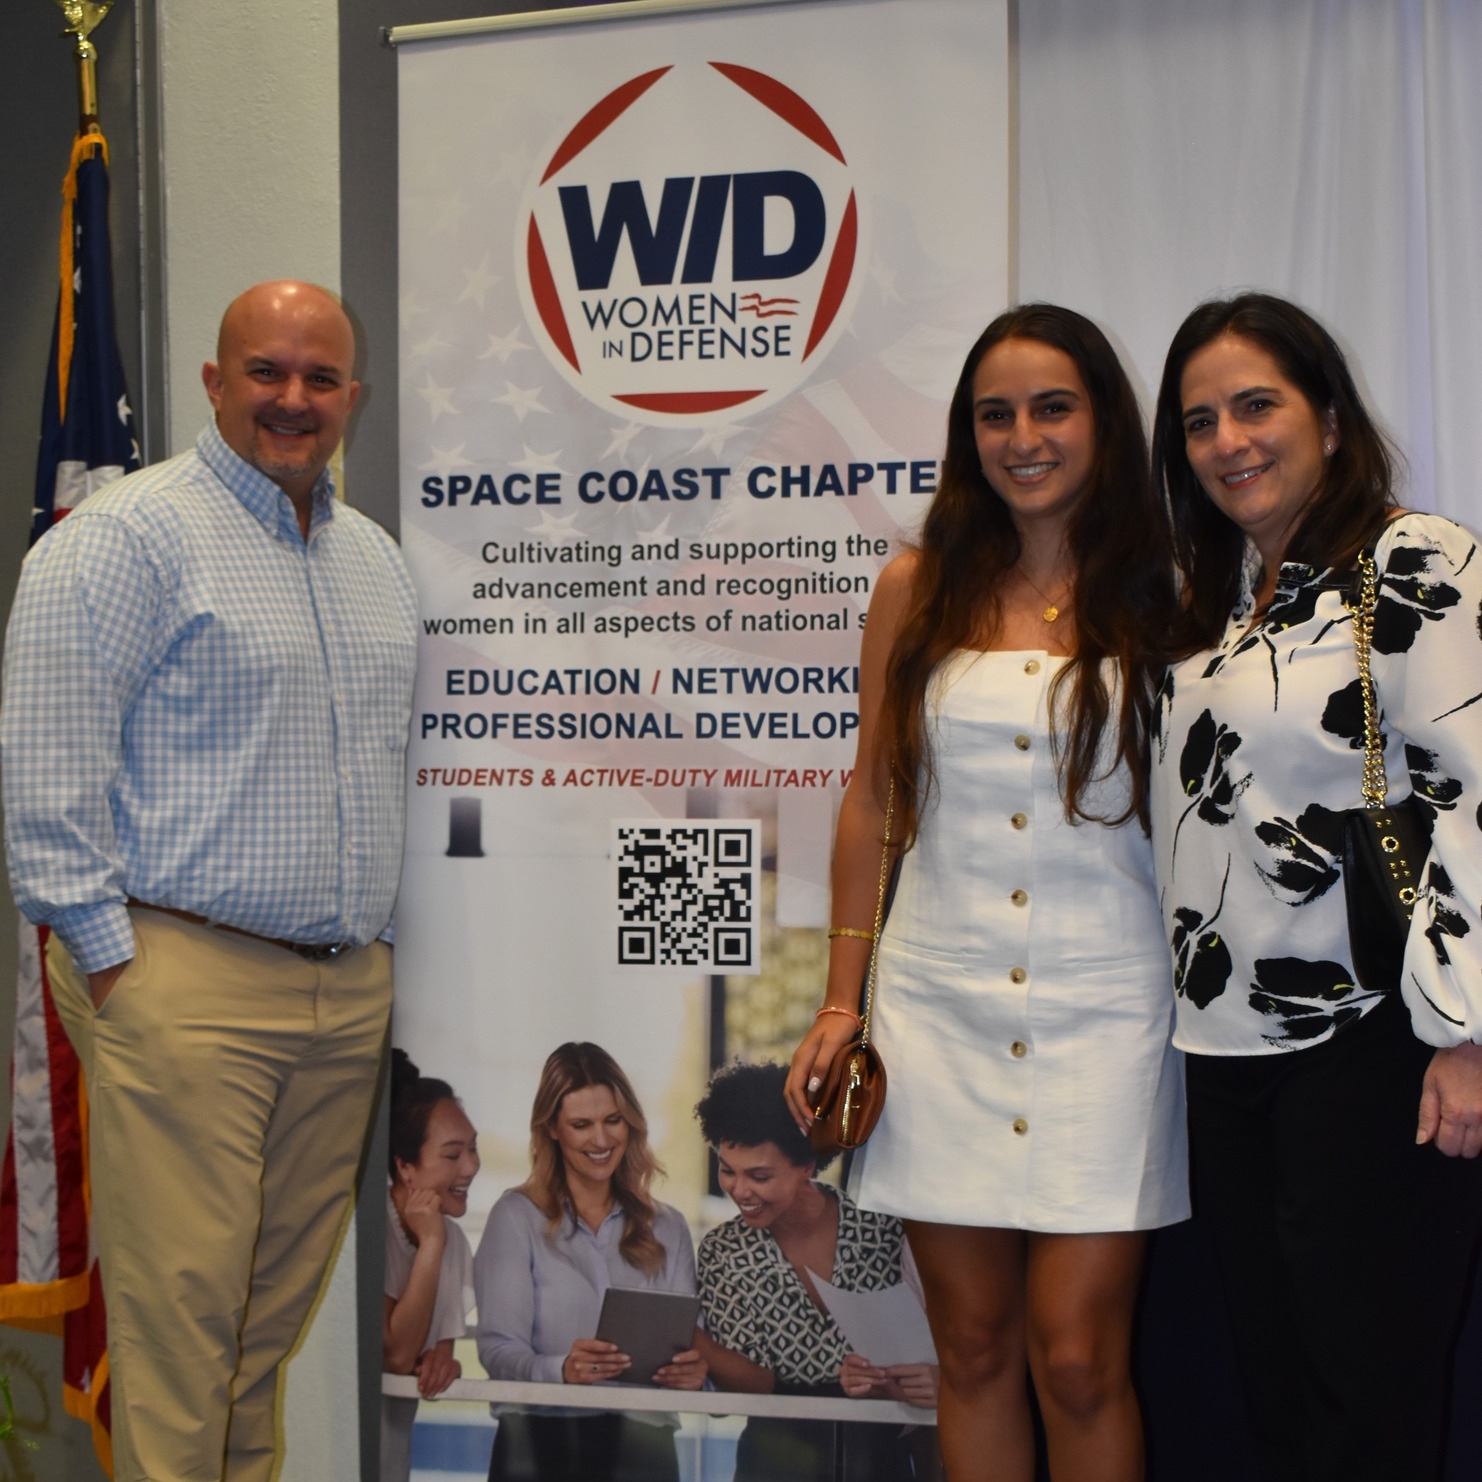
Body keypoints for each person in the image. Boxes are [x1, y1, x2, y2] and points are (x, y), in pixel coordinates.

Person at [0, 280, 418, 1482]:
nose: (294, 400)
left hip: (340, 995)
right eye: (267, 373)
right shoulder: (128, 537)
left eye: (320, 378)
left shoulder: (372, 561)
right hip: (179, 981)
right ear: (215, 382)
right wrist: (116, 965)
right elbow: (46, 766)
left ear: (355, 395)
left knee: (258, 1335)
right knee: (183, 1338)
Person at [786, 304, 1189, 1482]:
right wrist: (839, 1000)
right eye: (995, 414)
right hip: (938, 1005)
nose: (1024, 436)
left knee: (1078, 1359)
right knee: (970, 1345)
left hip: (1110, 1015)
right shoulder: (916, 585)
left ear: (1103, 422)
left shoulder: (1167, 592)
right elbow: (873, 799)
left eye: (1052, 407)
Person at [1148, 292, 1482, 1482]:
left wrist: (1466, 1034)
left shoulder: (1412, 561)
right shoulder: (1218, 601)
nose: (1228, 440)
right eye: (1198, 422)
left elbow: (1473, 792)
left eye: (1256, 406)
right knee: (1278, 1403)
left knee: (1369, 1410)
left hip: (1373, 1047)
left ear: (1329, 420)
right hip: (1227, 1059)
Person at [694, 1060, 937, 1482]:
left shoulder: (881, 1229)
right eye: (727, 1170)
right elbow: (750, 1383)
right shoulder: (724, 1251)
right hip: (773, 1460)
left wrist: (904, 1379)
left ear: (806, 1165)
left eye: (759, 1176)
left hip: (876, 1458)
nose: (739, 1190)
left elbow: (933, 1347)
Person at [474, 1042, 705, 1482]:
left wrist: (696, 1373)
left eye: (613, 1121)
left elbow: (689, 1345)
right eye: (582, 1125)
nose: (601, 1140)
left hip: (644, 1447)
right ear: (553, 1130)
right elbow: (497, 1350)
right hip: (541, 1443)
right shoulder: (515, 1217)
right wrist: (563, 1368)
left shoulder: (669, 1227)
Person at [383, 1050, 481, 1482]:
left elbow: (433, 1354)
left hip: (391, 1460)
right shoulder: (373, 1232)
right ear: (404, 1167)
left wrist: (444, 1360)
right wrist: (431, 1243)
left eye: (473, 1149)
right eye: (453, 1154)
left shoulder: (454, 1242)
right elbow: (400, 1354)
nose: (472, 1167)